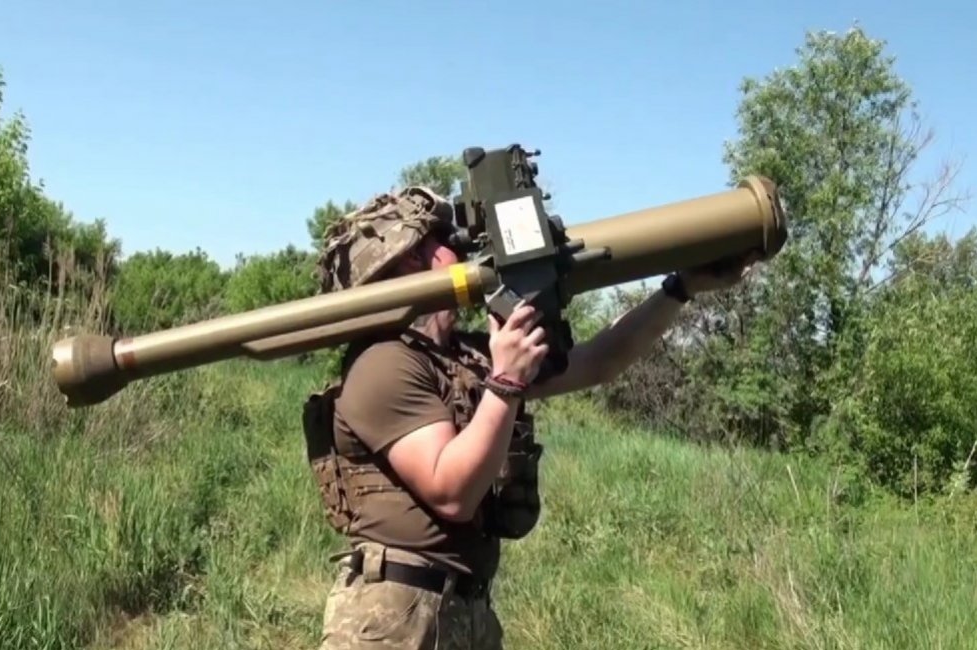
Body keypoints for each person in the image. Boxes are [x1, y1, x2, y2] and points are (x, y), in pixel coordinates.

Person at [302, 185, 754, 649]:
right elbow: (451, 491)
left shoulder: (465, 358)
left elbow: (599, 362)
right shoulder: (383, 364)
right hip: (397, 619)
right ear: (410, 258)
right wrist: (506, 382)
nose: (460, 248)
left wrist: (680, 288)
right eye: (444, 238)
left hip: (464, 611)